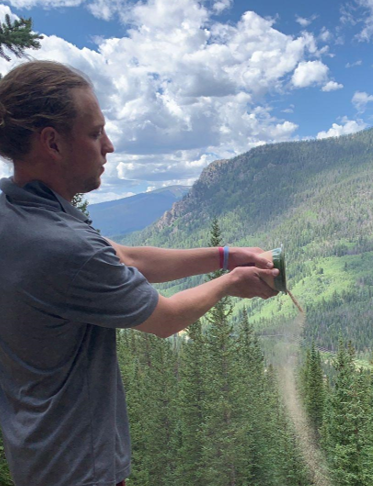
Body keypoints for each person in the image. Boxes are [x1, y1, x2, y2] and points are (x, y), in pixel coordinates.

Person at [0, 60, 280, 486]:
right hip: (79, 467)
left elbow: (128, 258)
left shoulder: (18, 208)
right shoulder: (61, 246)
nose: (108, 146)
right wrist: (230, 283)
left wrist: (223, 255)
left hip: (36, 452)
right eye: (95, 133)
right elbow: (165, 319)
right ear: (51, 143)